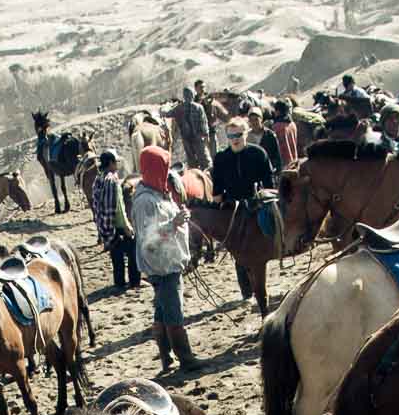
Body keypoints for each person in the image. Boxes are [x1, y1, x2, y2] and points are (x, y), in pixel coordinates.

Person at [132, 145, 199, 373]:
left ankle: (167, 359)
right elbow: (148, 240)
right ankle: (186, 358)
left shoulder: (158, 193)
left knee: (162, 312)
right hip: (162, 267)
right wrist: (174, 224)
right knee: (173, 313)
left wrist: (179, 217)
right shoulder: (145, 202)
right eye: (164, 166)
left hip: (168, 263)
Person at [211, 122, 276, 299]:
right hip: (233, 210)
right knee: (238, 251)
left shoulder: (258, 153)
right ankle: (246, 292)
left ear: (245, 134)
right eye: (231, 136)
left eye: (238, 135)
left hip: (257, 206)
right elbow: (217, 193)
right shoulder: (221, 158)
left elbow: (270, 185)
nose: (235, 140)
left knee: (263, 242)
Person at [89, 149, 139, 290]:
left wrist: (104, 231)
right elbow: (116, 208)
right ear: (110, 163)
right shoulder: (112, 181)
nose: (117, 164)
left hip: (105, 225)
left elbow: (98, 206)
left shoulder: (98, 179)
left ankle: (119, 283)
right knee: (133, 251)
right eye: (115, 162)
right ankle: (134, 282)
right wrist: (126, 226)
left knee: (116, 256)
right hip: (115, 225)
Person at [165, 87, 212, 171]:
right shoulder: (199, 107)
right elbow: (204, 123)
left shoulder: (179, 108)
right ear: (193, 95)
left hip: (186, 139)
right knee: (205, 162)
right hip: (198, 138)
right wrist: (206, 136)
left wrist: (166, 107)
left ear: (184, 96)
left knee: (191, 162)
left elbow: (167, 114)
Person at [271, 98, 301, 166]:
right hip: (294, 160)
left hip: (284, 164)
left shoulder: (276, 127)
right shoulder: (292, 124)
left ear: (278, 111)